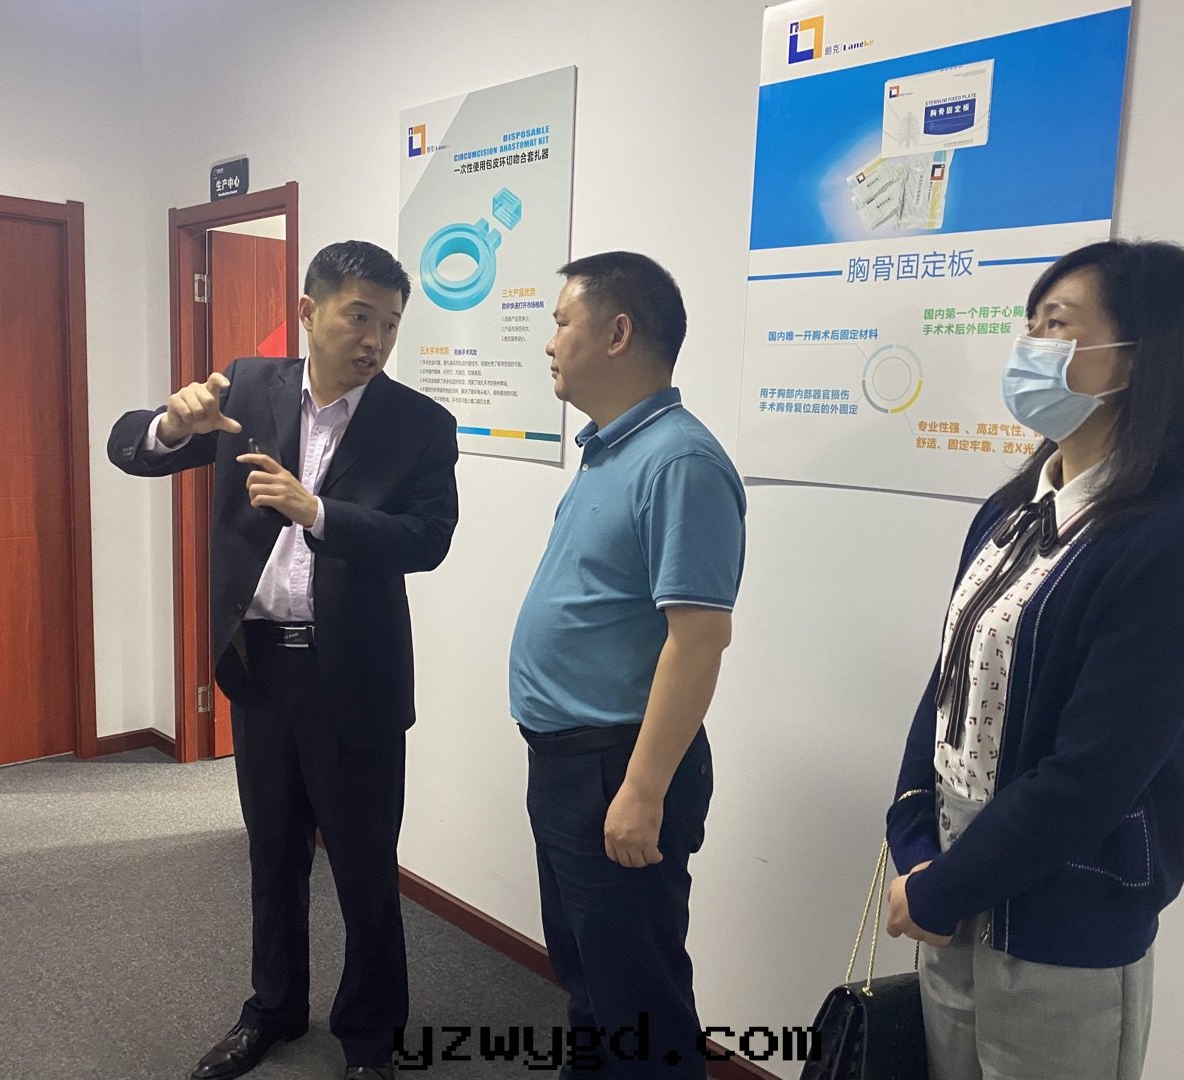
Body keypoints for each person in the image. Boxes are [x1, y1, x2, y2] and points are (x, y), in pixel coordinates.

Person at [883, 240, 1184, 1080]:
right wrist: (913, 837)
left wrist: (945, 885)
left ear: (1141, 355)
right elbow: (949, 682)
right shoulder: (1010, 510)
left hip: (1062, 914)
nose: (1030, 346)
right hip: (947, 884)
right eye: (1030, 323)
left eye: (1057, 324)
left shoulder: (1174, 540)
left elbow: (1095, 773)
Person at [107, 241, 458, 1080]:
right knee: (271, 855)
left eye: (390, 324)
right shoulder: (247, 390)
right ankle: (273, 1008)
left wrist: (318, 511)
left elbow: (427, 539)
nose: (375, 339)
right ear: (309, 311)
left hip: (356, 676)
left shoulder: (419, 423)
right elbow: (130, 449)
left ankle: (370, 1039)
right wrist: (172, 423)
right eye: (359, 316)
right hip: (260, 667)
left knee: (364, 867)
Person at [508, 252, 746, 1079]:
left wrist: (641, 794)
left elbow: (699, 640)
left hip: (619, 767)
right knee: (590, 980)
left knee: (639, 1004)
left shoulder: (681, 462)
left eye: (561, 323)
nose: (550, 343)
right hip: (569, 762)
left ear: (616, 333)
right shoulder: (613, 450)